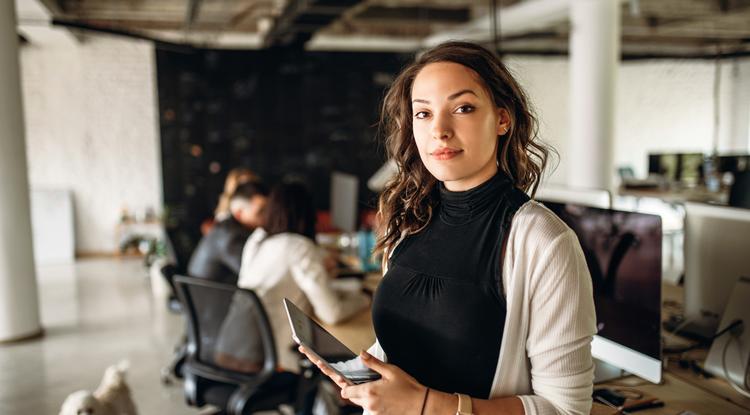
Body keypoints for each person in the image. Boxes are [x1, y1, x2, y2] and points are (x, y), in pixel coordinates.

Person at [300, 41, 597, 415]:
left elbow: (566, 409)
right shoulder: (410, 220)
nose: (439, 130)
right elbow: (400, 347)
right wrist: (363, 371)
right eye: (423, 114)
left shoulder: (543, 240)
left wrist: (426, 405)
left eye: (463, 108)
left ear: (503, 119)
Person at [238, 182, 370, 372]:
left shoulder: (256, 241)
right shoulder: (299, 247)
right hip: (276, 360)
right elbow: (332, 314)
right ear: (307, 214)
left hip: (238, 347)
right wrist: (364, 299)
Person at [187, 181, 269, 284]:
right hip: (213, 297)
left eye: (268, 210)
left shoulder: (226, 227)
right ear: (239, 213)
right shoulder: (230, 237)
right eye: (261, 211)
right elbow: (253, 275)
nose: (266, 217)